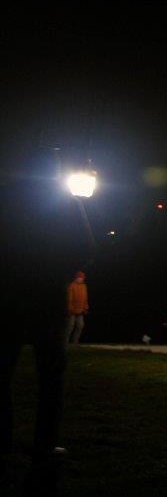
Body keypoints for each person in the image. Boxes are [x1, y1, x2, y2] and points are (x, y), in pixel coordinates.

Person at [1, 149, 89, 469]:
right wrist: (58, 275)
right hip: (46, 301)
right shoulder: (66, 204)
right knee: (50, 376)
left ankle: (3, 439)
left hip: (7, 298)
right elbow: (85, 248)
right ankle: (45, 442)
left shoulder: (6, 198)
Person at [66, 270, 89, 344]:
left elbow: (85, 298)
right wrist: (69, 309)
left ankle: (75, 342)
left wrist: (85, 308)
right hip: (72, 310)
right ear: (76, 278)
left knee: (80, 326)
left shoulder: (84, 286)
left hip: (80, 310)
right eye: (80, 278)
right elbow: (69, 298)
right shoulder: (72, 285)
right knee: (70, 327)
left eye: (82, 278)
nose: (81, 279)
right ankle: (65, 342)